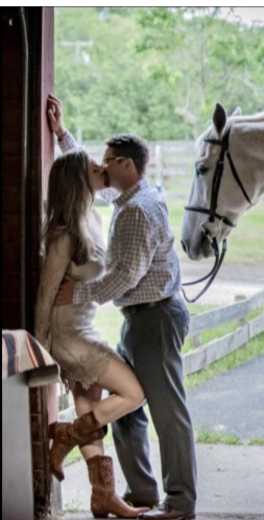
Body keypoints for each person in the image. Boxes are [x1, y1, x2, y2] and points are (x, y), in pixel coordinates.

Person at [48, 95, 198, 520]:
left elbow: (122, 279)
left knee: (167, 412)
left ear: (126, 166)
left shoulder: (136, 212)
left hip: (155, 317)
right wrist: (62, 136)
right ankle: (141, 492)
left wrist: (74, 295)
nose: (101, 164)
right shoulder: (135, 198)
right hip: (140, 317)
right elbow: (81, 178)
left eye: (108, 160)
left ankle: (180, 503)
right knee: (128, 406)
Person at [36, 100, 150, 518]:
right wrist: (43, 349)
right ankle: (65, 435)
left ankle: (104, 495)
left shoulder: (90, 215)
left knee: (89, 404)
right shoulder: (64, 233)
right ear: (82, 181)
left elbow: (76, 164)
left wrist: (63, 133)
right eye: (96, 169)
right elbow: (46, 296)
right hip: (69, 335)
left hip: (83, 326)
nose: (104, 170)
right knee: (134, 393)